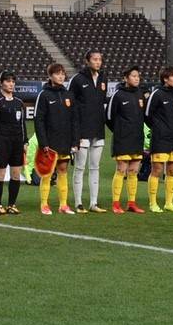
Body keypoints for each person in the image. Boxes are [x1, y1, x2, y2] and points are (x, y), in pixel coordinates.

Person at [68, 50, 109, 213]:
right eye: (94, 59)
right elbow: (70, 106)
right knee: (79, 168)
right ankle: (78, 203)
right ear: (87, 61)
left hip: (98, 130)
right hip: (82, 131)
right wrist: (74, 134)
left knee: (95, 167)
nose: (98, 62)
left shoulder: (103, 78)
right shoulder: (77, 80)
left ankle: (94, 203)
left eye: (100, 59)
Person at [32, 62, 74, 215]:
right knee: (47, 173)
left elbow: (74, 120)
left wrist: (74, 141)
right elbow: (38, 120)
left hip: (65, 141)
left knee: (63, 171)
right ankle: (44, 204)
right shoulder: (44, 95)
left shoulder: (68, 94)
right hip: (49, 143)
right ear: (50, 76)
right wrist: (43, 143)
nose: (61, 76)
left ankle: (63, 205)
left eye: (63, 73)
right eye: (57, 73)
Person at [0, 71, 28, 215]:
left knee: (16, 175)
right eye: (8, 81)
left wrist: (25, 142)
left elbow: (22, 124)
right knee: (0, 175)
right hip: (1, 141)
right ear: (1, 83)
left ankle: (11, 204)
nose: (11, 84)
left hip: (17, 142)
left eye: (13, 81)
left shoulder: (19, 102)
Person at [107, 66, 147, 213]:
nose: (137, 78)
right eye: (134, 76)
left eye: (138, 76)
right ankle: (116, 204)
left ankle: (131, 203)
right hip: (122, 139)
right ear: (125, 78)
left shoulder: (140, 94)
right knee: (121, 170)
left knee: (134, 171)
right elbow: (109, 117)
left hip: (137, 139)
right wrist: (120, 130)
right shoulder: (117, 95)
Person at [144, 66, 173, 213]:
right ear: (165, 79)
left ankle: (169, 203)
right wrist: (159, 128)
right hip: (161, 139)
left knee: (172, 170)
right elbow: (147, 115)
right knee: (157, 170)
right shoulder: (157, 94)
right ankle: (153, 203)